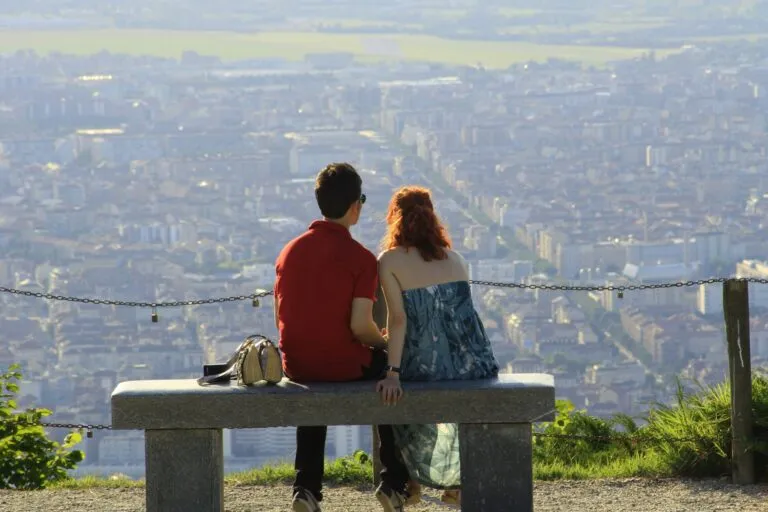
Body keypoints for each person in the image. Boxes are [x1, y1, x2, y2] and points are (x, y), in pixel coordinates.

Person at [274, 162, 413, 512]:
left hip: (296, 363)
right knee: (389, 371)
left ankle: (305, 488)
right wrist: (384, 343)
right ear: (355, 206)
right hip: (341, 361)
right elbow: (359, 326)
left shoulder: (288, 252)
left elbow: (282, 315)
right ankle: (392, 482)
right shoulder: (360, 258)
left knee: (312, 384)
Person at [375, 185, 501, 506]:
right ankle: (455, 485)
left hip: (427, 363)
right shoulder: (457, 260)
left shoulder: (389, 260)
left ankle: (410, 483)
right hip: (475, 362)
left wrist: (392, 372)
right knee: (441, 389)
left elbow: (398, 320)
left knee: (397, 389)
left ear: (394, 218)